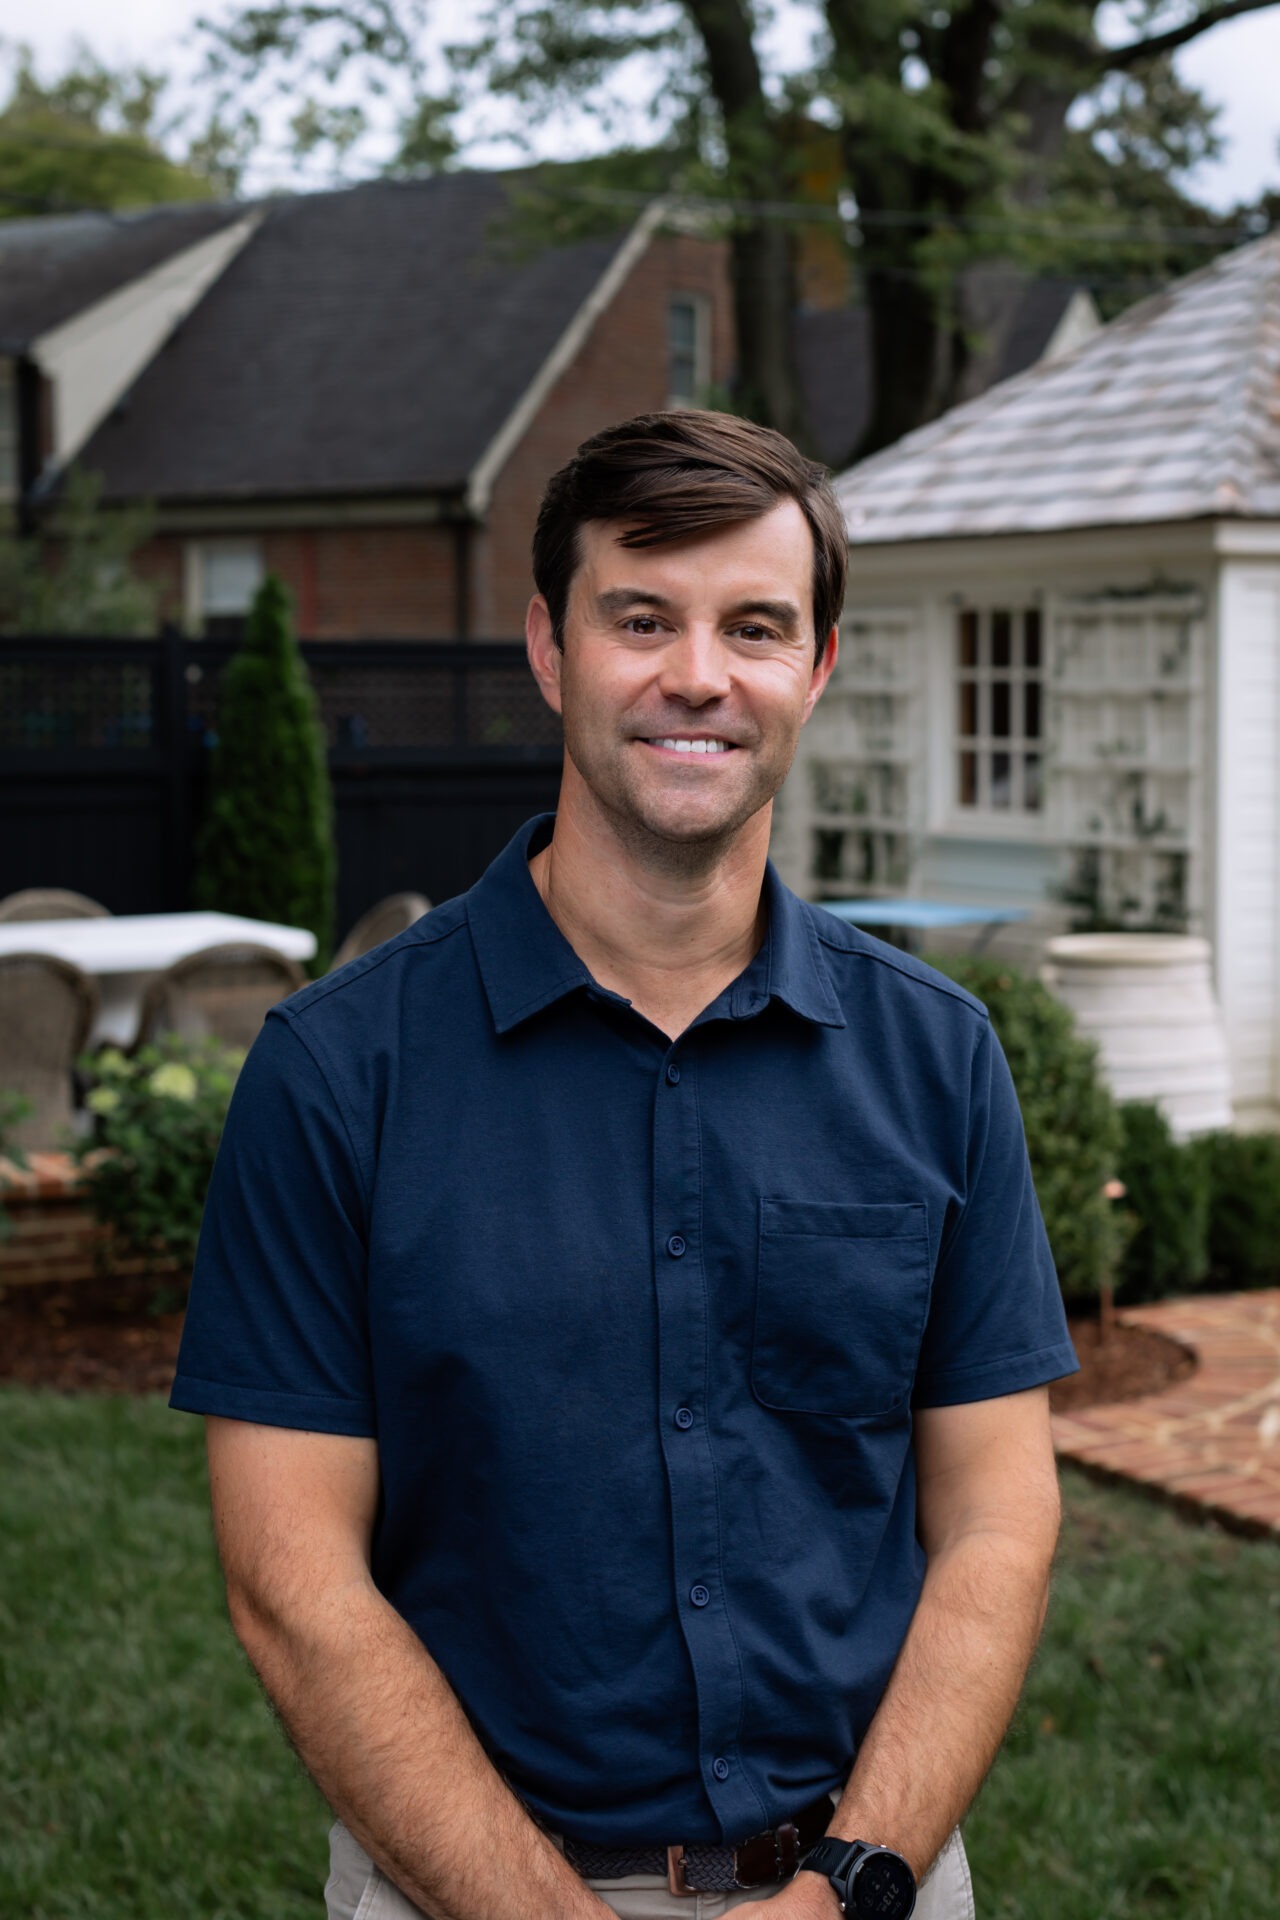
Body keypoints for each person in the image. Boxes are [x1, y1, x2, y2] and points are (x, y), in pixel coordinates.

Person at [171, 409, 1077, 1920]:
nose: (699, 676)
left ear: (819, 666)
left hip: (865, 1882)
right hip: (463, 1883)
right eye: (640, 618)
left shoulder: (936, 1058)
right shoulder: (340, 1073)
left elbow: (996, 1514)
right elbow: (292, 1583)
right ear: (549, 647)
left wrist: (852, 1878)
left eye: (755, 626)